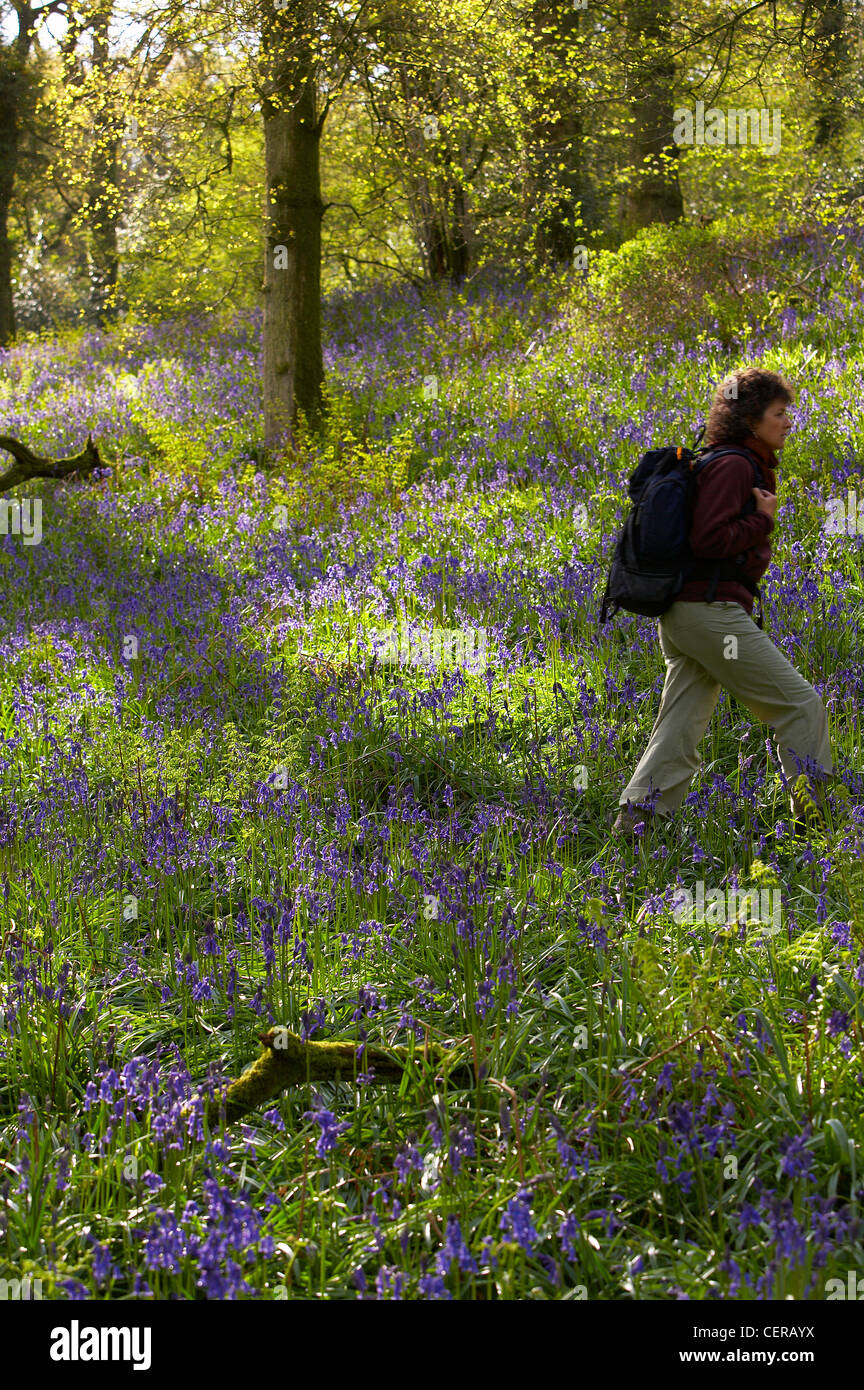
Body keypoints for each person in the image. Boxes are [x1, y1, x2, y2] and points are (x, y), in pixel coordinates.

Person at [613, 367, 833, 837]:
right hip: (709, 614)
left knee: (679, 727)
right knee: (800, 706)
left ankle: (636, 827)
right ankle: (814, 826)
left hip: (686, 618)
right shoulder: (734, 465)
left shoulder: (722, 460)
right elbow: (709, 539)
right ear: (752, 419)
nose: (788, 421)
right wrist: (762, 520)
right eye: (779, 413)